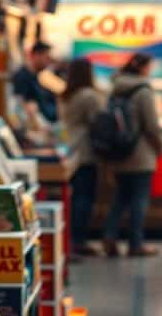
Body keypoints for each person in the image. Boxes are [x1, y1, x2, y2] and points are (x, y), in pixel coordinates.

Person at [103, 53, 162, 258]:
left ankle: (110, 237)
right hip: (141, 154)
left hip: (119, 153)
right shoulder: (143, 91)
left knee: (120, 198)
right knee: (139, 200)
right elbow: (151, 125)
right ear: (142, 68)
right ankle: (135, 244)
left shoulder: (114, 89)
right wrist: (161, 145)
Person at [59, 58, 104, 258]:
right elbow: (97, 121)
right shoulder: (88, 95)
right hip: (86, 150)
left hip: (70, 148)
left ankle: (72, 241)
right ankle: (79, 240)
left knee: (76, 197)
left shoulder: (66, 95)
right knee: (85, 198)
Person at [12, 42, 59, 128]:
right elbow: (22, 106)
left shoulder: (37, 76)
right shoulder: (22, 77)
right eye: (47, 58)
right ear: (36, 55)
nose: (49, 61)